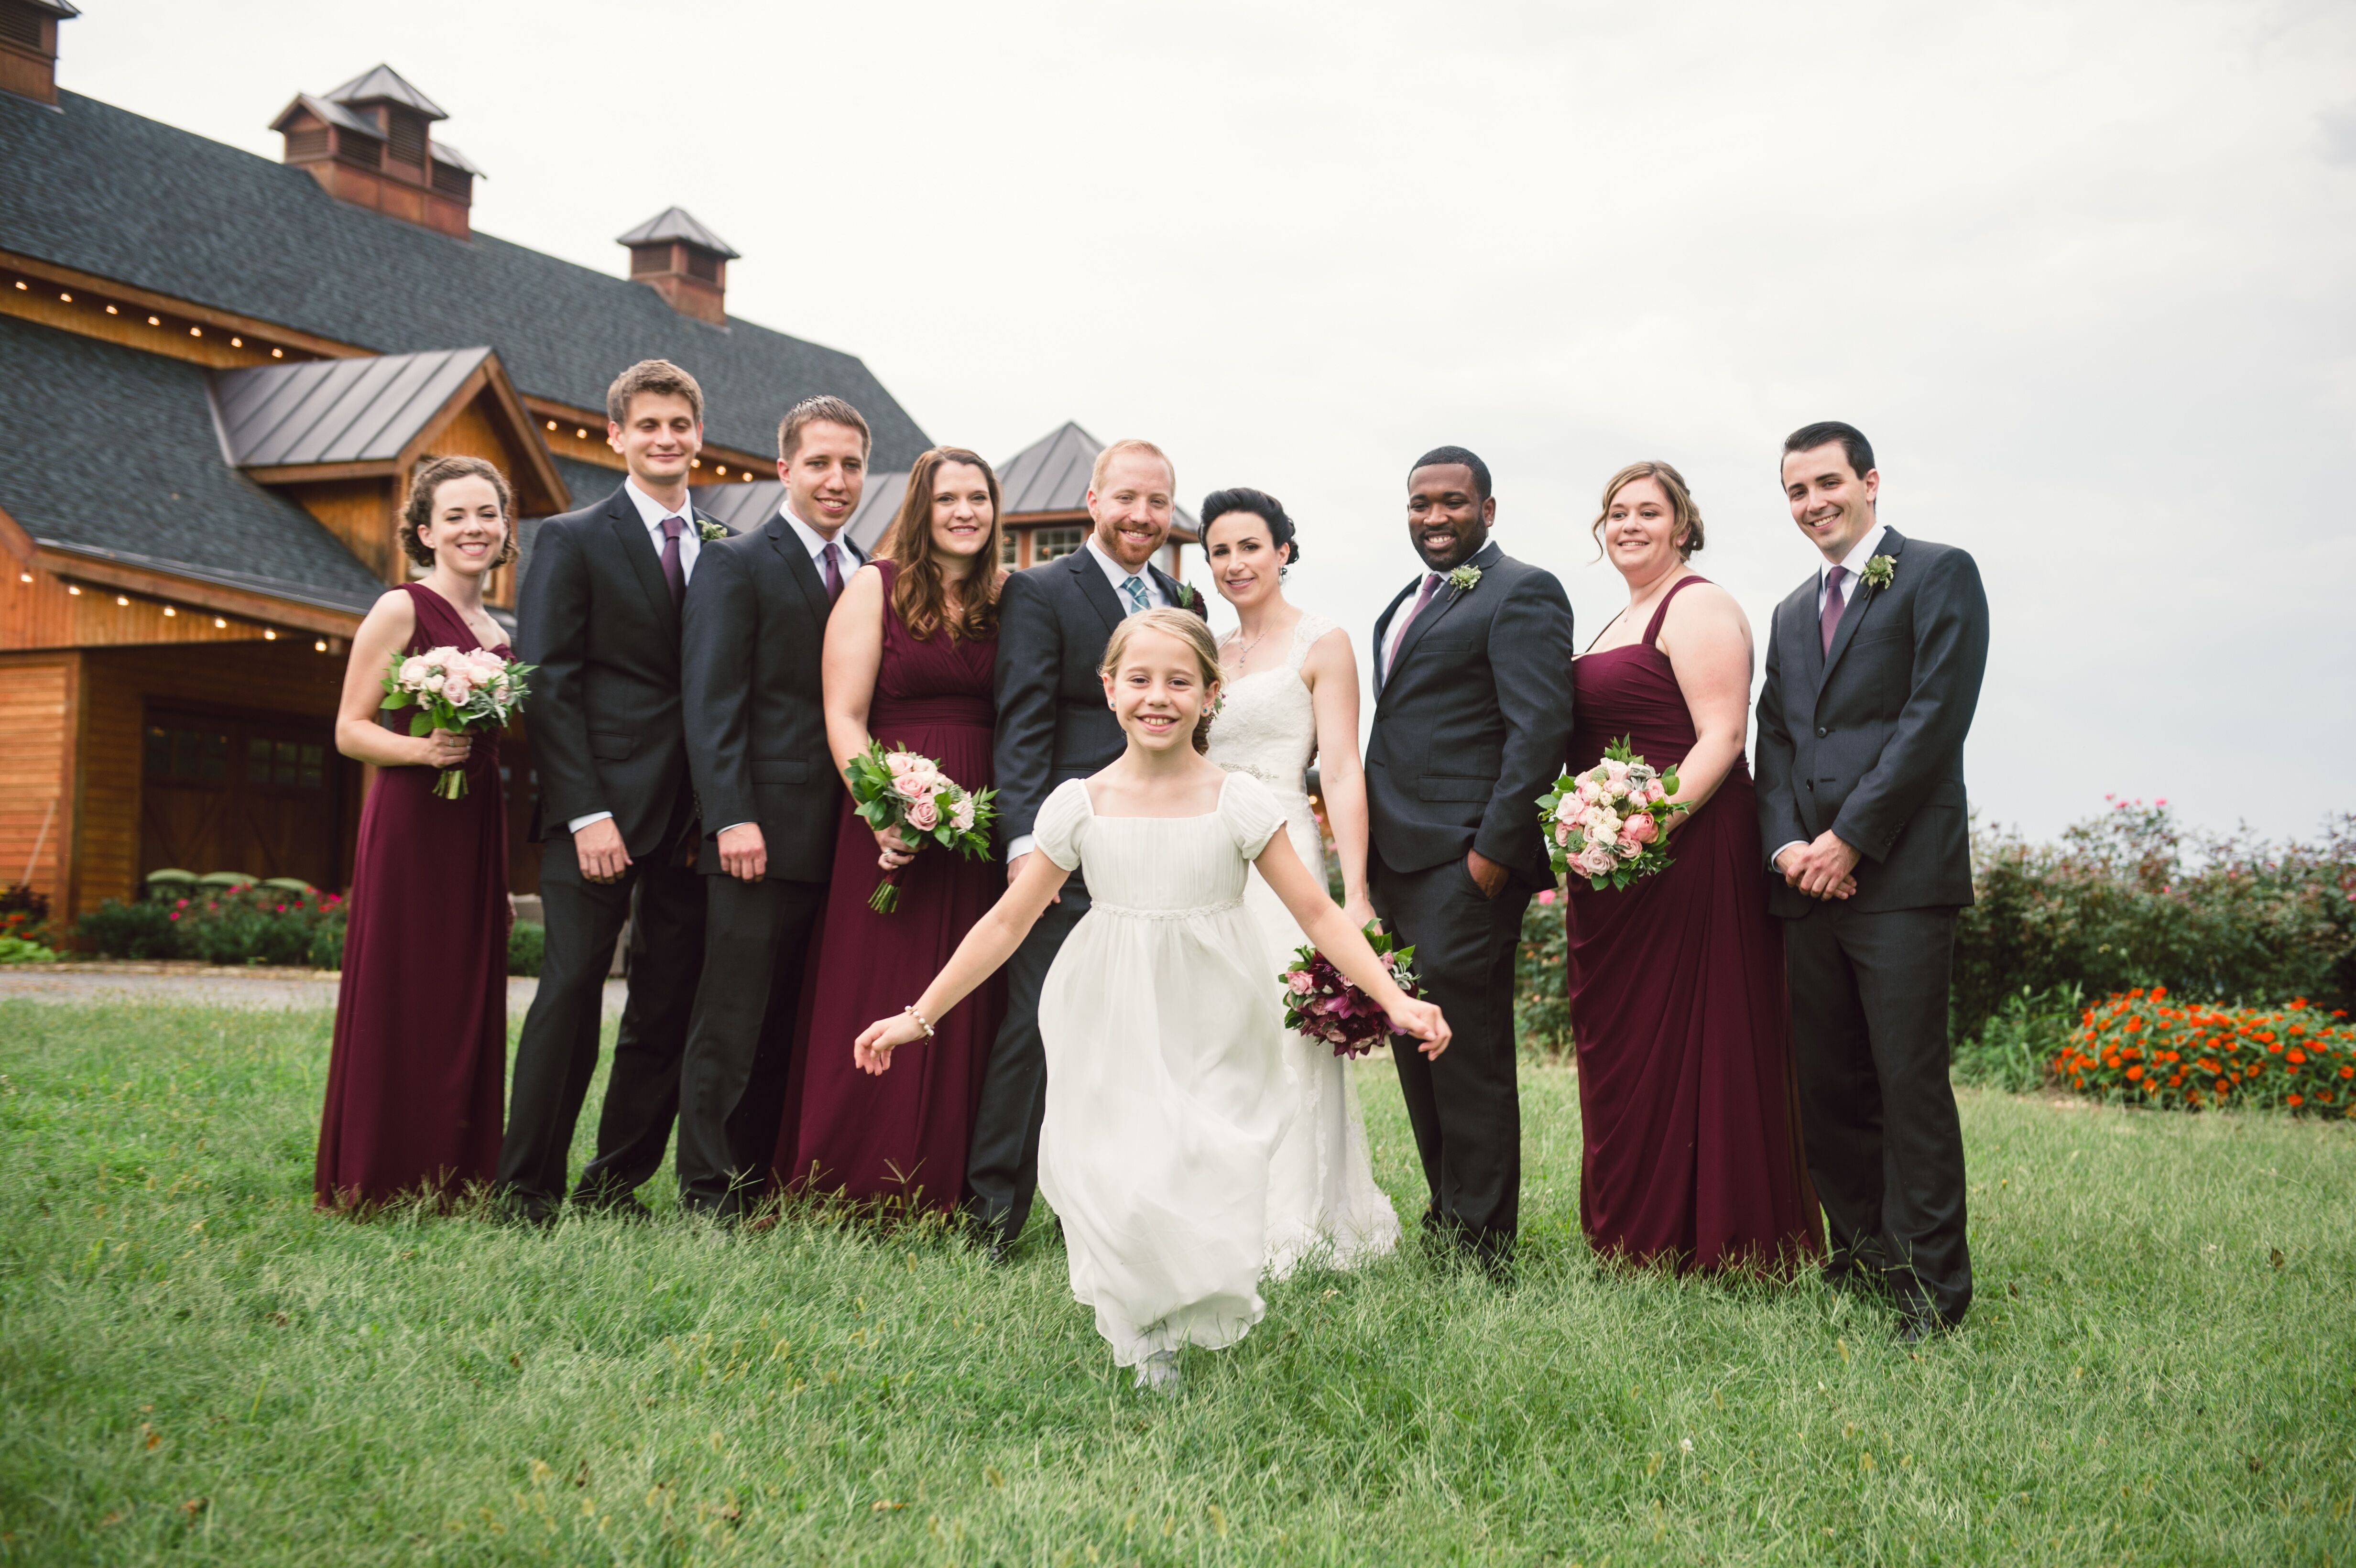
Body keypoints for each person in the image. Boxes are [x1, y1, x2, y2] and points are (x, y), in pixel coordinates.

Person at [855, 610, 1450, 1388]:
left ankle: (1186, 1293)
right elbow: (1006, 922)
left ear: (1211, 696)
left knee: (1201, 1159)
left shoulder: (1237, 801)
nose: (1157, 698)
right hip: (1109, 1005)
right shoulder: (1079, 804)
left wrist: (1392, 998)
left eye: (1179, 682)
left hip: (1214, 1012)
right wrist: (919, 1014)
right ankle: (1146, 1334)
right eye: (1139, 680)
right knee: (1124, 1167)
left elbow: (1315, 912)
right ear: (1109, 690)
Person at [1755, 421, 1989, 1341]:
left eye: (1826, 484)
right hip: (1804, 884)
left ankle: (1932, 1291)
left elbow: (1936, 719)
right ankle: (1860, 1260)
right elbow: (1775, 738)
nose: (1813, 504)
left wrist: (1848, 841)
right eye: (1796, 492)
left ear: (1870, 482)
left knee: (1907, 1081)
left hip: (1897, 876)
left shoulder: (1939, 573)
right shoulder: (1785, 612)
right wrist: (1787, 849)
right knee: (1830, 1085)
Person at [1562, 461, 1823, 1274]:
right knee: (1628, 1041)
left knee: (1699, 1036)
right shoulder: (1617, 617)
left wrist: (1648, 827)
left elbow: (1721, 738)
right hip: (1618, 868)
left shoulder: (1698, 604)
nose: (1630, 525)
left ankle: (1724, 1238)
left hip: (1691, 851)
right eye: (1616, 512)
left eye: (1649, 511)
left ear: (1682, 525)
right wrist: (1593, 835)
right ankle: (1638, 1234)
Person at [966, 439, 1204, 1258]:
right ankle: (994, 1213)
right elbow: (1023, 722)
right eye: (1128, 498)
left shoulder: (1182, 599)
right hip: (1066, 847)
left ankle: (1102, 1211)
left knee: (1135, 1036)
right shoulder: (1039, 591)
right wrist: (1029, 846)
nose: (1143, 516)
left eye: (1159, 502)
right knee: (1036, 1027)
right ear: (1094, 499)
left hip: (1158, 853)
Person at [501, 361, 726, 1224]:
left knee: (667, 1000)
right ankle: (527, 1188)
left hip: (691, 818)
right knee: (571, 991)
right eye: (649, 426)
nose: (666, 439)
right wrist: (587, 811)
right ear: (617, 437)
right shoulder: (571, 536)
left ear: (697, 435)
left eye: (680, 424)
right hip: (596, 810)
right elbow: (548, 679)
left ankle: (613, 1184)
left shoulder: (724, 539)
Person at [775, 447, 1007, 1213]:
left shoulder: (1009, 595)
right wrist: (883, 809)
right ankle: (850, 1177)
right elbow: (843, 715)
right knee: (875, 980)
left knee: (969, 993)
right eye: (949, 499)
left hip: (980, 823)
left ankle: (944, 1185)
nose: (965, 511)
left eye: (979, 497)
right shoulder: (874, 587)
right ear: (921, 508)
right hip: (888, 825)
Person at [1364, 446, 1574, 1272]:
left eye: (1452, 502)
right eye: (1420, 504)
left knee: (1470, 1053)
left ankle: (1484, 1246)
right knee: (1419, 1047)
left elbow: (1538, 731)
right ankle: (1447, 1221)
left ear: (1488, 510)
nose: (1434, 517)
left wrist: (1492, 853)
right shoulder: (1403, 604)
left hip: (1464, 862)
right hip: (1398, 860)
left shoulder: (1523, 591)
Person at [675, 395, 871, 1217]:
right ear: (784, 469)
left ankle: (764, 1180)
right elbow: (711, 700)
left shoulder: (869, 575)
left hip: (846, 841)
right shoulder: (736, 562)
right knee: (734, 1017)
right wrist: (730, 815)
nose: (836, 480)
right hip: (758, 831)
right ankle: (708, 1190)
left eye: (852, 465)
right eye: (820, 464)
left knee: (797, 1021)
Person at [1198, 487, 1400, 1273]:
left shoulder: (1325, 642)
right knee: (1216, 1029)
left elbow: (1343, 769)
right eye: (1220, 550)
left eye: (1251, 546)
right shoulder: (1206, 649)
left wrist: (1357, 891)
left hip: (1286, 851)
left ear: (1284, 550)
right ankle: (1216, 1210)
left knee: (1288, 1030)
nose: (1236, 563)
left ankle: (1298, 1219)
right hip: (1211, 856)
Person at [315, 456, 516, 1210]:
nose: (474, 528)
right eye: (457, 516)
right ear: (426, 531)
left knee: (464, 986)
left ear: (504, 530)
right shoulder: (400, 609)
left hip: (475, 823)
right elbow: (348, 730)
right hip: (410, 819)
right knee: (404, 983)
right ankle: (378, 1171)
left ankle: (455, 1175)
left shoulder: (499, 632)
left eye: (487, 514)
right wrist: (421, 750)